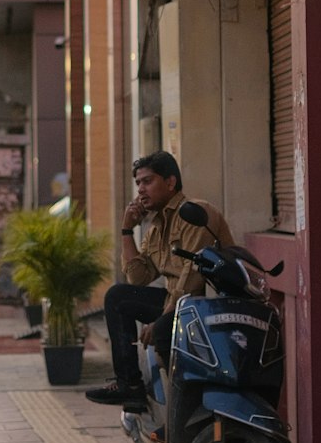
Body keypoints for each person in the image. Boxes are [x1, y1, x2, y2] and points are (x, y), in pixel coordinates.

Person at [85, 151, 232, 412]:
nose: (141, 190)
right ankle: (129, 385)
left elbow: (191, 280)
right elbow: (138, 277)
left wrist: (160, 320)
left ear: (171, 182)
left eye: (148, 181)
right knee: (118, 296)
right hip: (178, 304)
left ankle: (184, 415)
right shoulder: (156, 228)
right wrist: (127, 230)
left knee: (164, 330)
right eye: (138, 183)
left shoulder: (194, 213)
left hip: (208, 307)